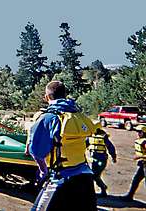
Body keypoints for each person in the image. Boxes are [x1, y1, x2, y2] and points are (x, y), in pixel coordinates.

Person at [29, 80, 97, 211]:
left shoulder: (48, 118)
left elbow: (36, 152)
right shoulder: (78, 116)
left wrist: (43, 170)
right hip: (85, 179)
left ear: (47, 97)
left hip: (60, 179)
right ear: (65, 95)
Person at [86, 127, 117, 197]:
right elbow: (84, 146)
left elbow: (111, 147)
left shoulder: (104, 138)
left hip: (102, 160)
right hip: (93, 161)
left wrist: (113, 157)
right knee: (94, 176)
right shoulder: (90, 137)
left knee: (95, 176)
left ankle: (103, 187)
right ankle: (100, 190)